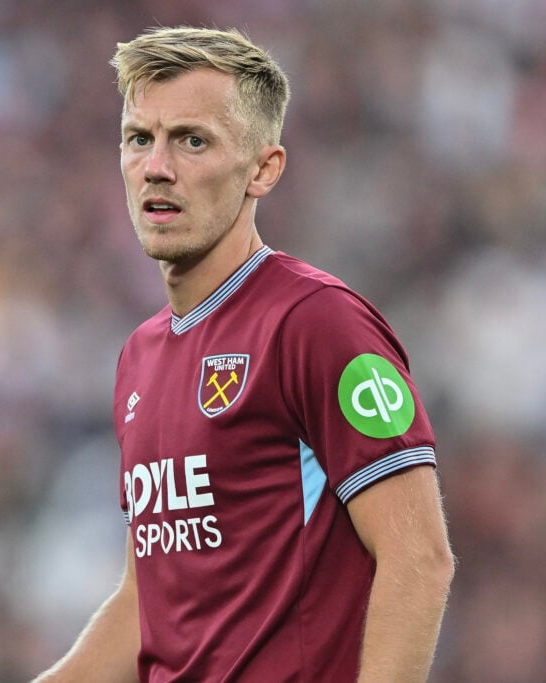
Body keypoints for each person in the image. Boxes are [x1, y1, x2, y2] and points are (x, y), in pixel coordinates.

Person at [34, 26, 454, 682]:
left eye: (192, 140)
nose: (157, 166)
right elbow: (147, 602)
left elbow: (419, 556)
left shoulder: (315, 322)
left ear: (263, 168)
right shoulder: (140, 356)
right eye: (139, 138)